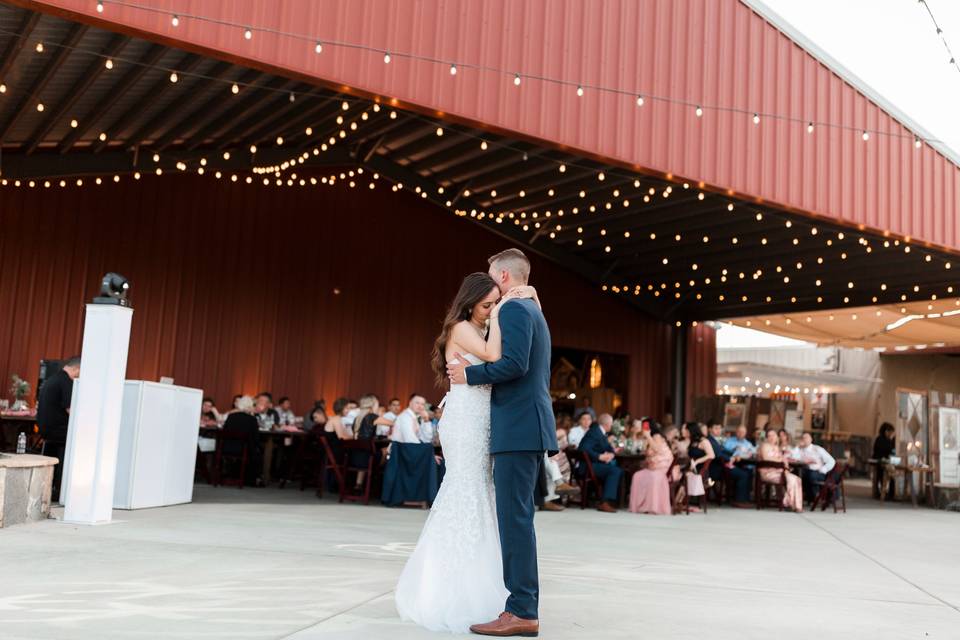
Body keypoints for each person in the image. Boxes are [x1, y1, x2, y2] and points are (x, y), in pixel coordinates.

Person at [397, 266, 539, 634]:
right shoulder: (462, 329)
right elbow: (495, 355)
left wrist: (527, 300)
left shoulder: (480, 327)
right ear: (470, 303)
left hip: (483, 418)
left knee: (483, 494)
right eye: (486, 305)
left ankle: (483, 585)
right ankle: (448, 589)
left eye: (494, 303)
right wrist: (507, 310)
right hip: (465, 420)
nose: (492, 310)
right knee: (465, 489)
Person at [437, 248, 556, 637]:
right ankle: (520, 605)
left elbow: (515, 364)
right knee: (515, 518)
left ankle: (522, 609)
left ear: (504, 276)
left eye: (492, 276)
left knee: (515, 520)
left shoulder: (516, 310)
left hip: (519, 428)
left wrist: (468, 377)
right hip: (522, 426)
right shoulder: (528, 308)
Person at [36, 356, 81, 503]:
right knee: (73, 449)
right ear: (77, 369)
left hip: (46, 429)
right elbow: (71, 409)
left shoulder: (52, 379)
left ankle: (50, 489)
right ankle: (62, 490)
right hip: (60, 430)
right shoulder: (66, 382)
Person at [577, 413, 623, 513]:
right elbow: (583, 448)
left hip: (593, 465)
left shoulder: (600, 432)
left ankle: (613, 501)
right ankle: (605, 502)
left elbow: (607, 447)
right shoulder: (594, 432)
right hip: (587, 467)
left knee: (618, 469)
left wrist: (612, 453)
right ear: (607, 424)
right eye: (611, 424)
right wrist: (599, 456)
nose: (611, 427)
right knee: (615, 471)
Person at [628, 423, 674, 514]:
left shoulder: (657, 436)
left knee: (653, 477)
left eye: (644, 427)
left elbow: (657, 449)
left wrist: (648, 436)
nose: (642, 429)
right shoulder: (647, 437)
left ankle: (654, 507)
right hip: (652, 467)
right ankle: (638, 506)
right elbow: (643, 450)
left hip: (663, 468)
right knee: (637, 476)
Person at [221, 395, 263, 487]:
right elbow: (256, 438)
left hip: (226, 447)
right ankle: (254, 479)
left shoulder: (231, 416)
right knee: (258, 451)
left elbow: (224, 431)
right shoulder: (252, 419)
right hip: (244, 450)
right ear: (250, 406)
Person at [758, 428, 803, 512]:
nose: (771, 437)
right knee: (791, 479)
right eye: (769, 436)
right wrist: (780, 461)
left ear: (776, 437)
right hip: (768, 473)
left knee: (797, 479)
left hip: (779, 472)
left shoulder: (777, 447)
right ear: (767, 437)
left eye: (773, 435)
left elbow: (783, 460)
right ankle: (787, 503)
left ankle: (796, 506)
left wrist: (785, 465)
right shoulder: (764, 446)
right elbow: (765, 458)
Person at [707, 421, 752, 506]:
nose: (719, 430)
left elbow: (724, 450)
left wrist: (733, 454)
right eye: (716, 428)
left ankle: (744, 499)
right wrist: (731, 458)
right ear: (710, 429)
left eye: (720, 428)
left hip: (723, 465)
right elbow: (718, 454)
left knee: (747, 472)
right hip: (716, 468)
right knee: (743, 475)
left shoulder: (717, 440)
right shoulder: (709, 440)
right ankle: (739, 501)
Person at [793, 432, 836, 501]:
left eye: (806, 438)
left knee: (810, 475)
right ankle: (798, 497)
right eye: (803, 438)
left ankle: (816, 495)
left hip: (818, 473)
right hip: (805, 471)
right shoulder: (800, 450)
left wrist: (823, 469)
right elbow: (793, 458)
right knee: (794, 473)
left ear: (811, 439)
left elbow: (831, 461)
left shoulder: (817, 449)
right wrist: (797, 446)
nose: (804, 439)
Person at [684, 422, 715, 511]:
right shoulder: (692, 441)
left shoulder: (704, 441)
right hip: (691, 467)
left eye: (686, 430)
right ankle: (678, 502)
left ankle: (680, 501)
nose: (684, 432)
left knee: (682, 475)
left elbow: (711, 455)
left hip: (700, 469)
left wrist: (697, 461)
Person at [872, 422, 896, 499]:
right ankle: (882, 493)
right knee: (884, 474)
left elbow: (891, 451)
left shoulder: (889, 440)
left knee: (892, 474)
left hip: (887, 461)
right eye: (890, 432)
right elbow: (881, 452)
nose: (891, 434)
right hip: (879, 461)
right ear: (886, 431)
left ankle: (890, 494)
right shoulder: (880, 440)